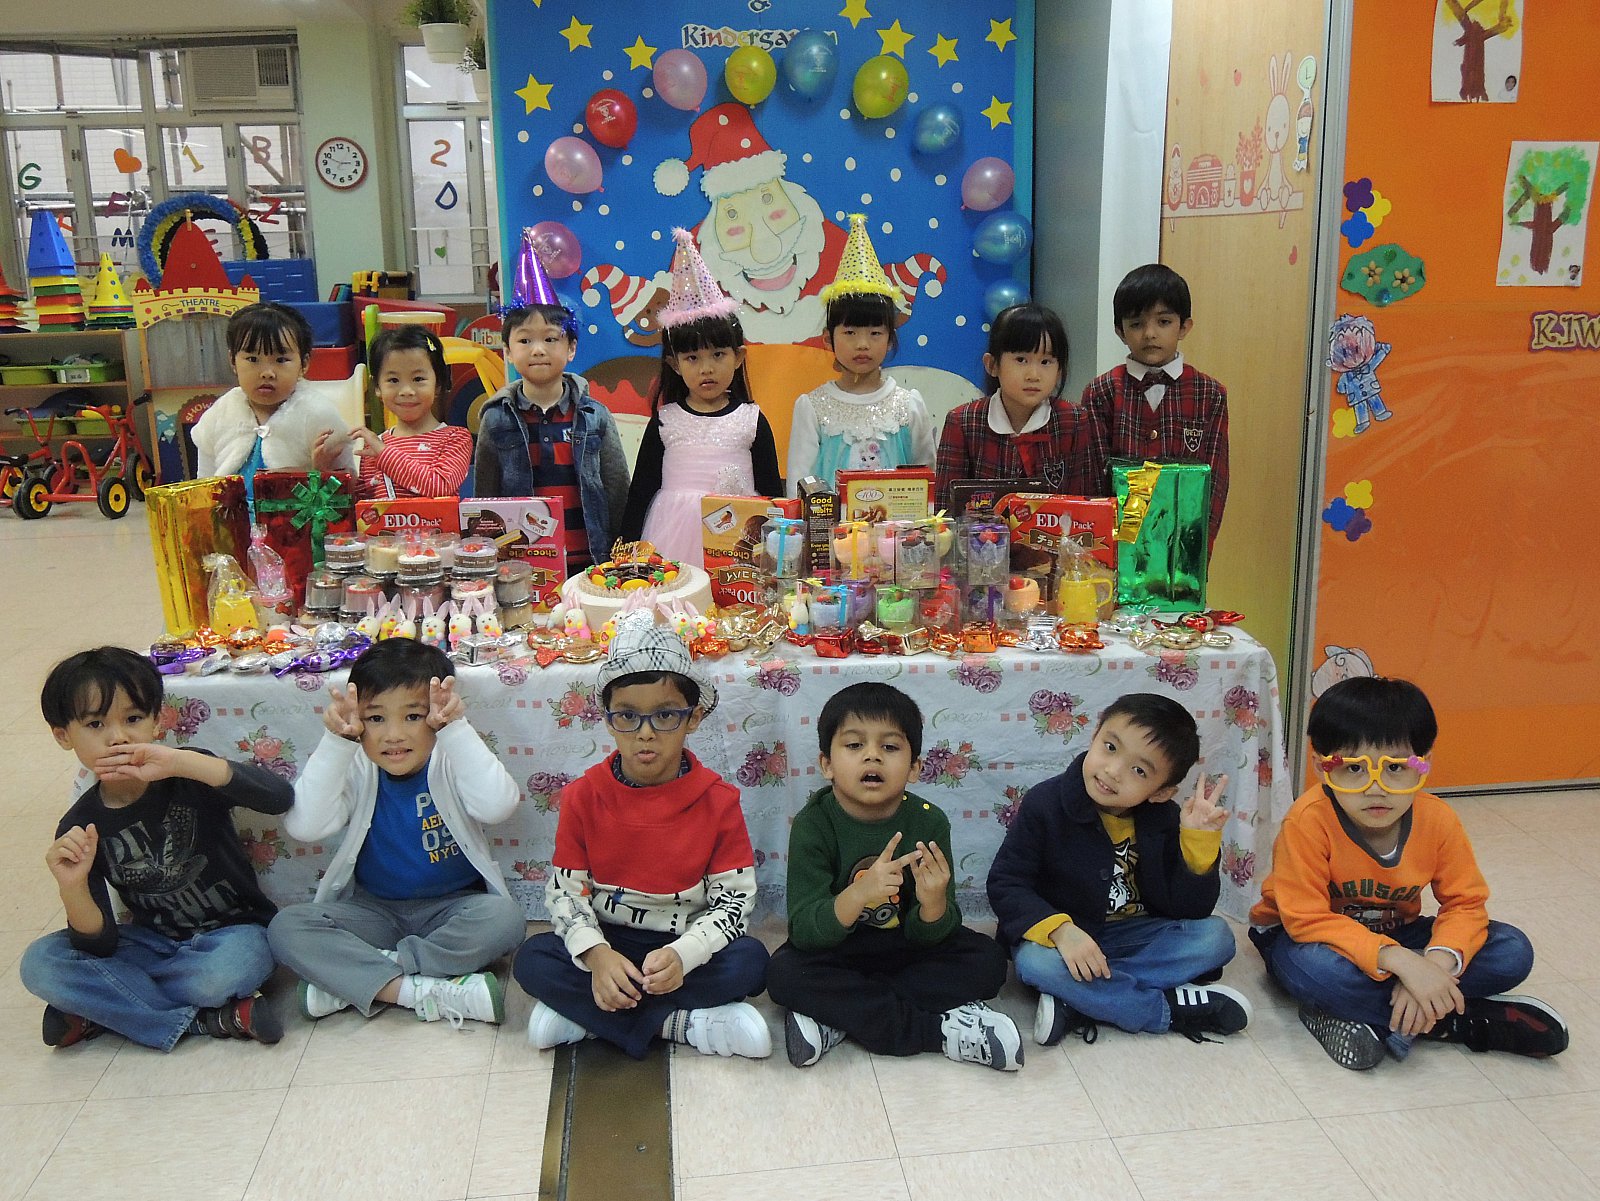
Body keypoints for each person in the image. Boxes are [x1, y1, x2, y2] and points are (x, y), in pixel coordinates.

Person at [1250, 676, 1568, 1070]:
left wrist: (1433, 965)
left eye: (1396, 768)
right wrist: (1403, 963)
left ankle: (1367, 1013)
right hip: (1303, 937)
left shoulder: (1438, 820)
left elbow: (1466, 904)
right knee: (1315, 972)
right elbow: (1305, 920)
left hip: (1398, 931)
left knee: (1512, 950)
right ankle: (1458, 1021)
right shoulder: (1307, 821)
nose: (1376, 788)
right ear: (1321, 767)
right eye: (1353, 768)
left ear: (1424, 764)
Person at [513, 615, 771, 1060]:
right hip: (608, 940)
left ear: (693, 718)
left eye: (665, 715)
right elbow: (567, 893)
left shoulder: (719, 800)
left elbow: (734, 901)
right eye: (628, 716)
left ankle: (589, 1019)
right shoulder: (582, 796)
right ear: (608, 720)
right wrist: (596, 956)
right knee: (532, 958)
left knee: (751, 962)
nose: (646, 732)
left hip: (681, 943)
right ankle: (679, 1024)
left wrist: (685, 954)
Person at [19, 647, 289, 1050]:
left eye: (133, 719)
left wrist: (184, 763)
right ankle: (209, 1020)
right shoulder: (79, 825)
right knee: (40, 963)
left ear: (157, 721)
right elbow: (99, 943)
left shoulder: (187, 771)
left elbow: (279, 798)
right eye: (95, 724)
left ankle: (105, 1008)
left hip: (234, 935)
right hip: (150, 944)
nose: (118, 737)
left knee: (226, 972)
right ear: (63, 735)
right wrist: (71, 888)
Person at [268, 639, 525, 1028]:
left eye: (412, 716)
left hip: (453, 908)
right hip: (374, 912)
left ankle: (359, 979)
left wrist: (455, 730)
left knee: (505, 920)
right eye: (375, 718)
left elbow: (498, 805)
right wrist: (337, 743)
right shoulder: (356, 764)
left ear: (436, 714)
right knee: (286, 927)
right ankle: (416, 991)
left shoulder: (449, 758)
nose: (393, 735)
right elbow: (305, 826)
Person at [766, 682, 1022, 1071]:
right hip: (839, 951)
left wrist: (933, 906)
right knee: (784, 974)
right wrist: (858, 895)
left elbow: (937, 932)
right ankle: (937, 1032)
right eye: (855, 745)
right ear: (827, 764)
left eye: (889, 747)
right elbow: (804, 931)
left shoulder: (929, 821)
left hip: (907, 948)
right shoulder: (812, 823)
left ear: (915, 767)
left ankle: (838, 1016)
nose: (872, 756)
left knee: (988, 961)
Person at [987, 693, 1251, 1045]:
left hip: (1133, 935)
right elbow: (1006, 883)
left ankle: (1081, 1000)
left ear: (1161, 792)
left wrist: (1198, 843)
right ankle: (1163, 1010)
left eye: (1139, 771)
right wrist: (1062, 931)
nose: (1113, 771)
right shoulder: (1045, 803)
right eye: (1110, 748)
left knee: (1216, 938)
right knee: (1035, 964)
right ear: (1095, 733)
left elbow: (1191, 910)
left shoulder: (1165, 818)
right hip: (1064, 938)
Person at [618, 229, 783, 563]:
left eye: (718, 355)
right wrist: (624, 550)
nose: (706, 369)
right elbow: (641, 490)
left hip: (738, 538)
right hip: (670, 537)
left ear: (738, 358)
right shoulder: (665, 422)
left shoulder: (751, 420)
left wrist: (780, 548)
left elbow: (772, 493)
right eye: (692, 358)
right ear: (675, 365)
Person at [473, 299, 630, 573]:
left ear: (571, 349)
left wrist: (622, 552)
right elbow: (485, 496)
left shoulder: (595, 415)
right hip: (524, 565)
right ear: (508, 351)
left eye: (550, 339)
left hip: (591, 561)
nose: (538, 350)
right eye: (525, 341)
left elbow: (617, 488)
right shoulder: (496, 418)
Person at [1081, 264, 1229, 547]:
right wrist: (1103, 548)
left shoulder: (1210, 394)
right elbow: (1094, 479)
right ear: (1120, 331)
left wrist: (1197, 551)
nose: (1149, 333)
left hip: (1183, 544)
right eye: (1136, 324)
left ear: (1184, 327)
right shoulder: (1101, 392)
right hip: (1117, 545)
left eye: (1163, 322)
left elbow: (1216, 481)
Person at [785, 215, 935, 493]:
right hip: (831, 522)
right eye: (850, 332)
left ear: (890, 339)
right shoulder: (812, 408)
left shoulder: (909, 406)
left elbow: (926, 479)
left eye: (875, 333)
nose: (863, 344)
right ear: (828, 339)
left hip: (898, 521)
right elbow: (799, 484)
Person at [933, 302, 1093, 510]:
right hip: (980, 531)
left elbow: (1087, 505)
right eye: (1021, 360)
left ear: (1059, 370)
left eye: (1045, 362)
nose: (1033, 375)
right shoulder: (962, 423)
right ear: (992, 365)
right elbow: (946, 510)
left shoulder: (1074, 420)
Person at [191, 301, 352, 501]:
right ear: (233, 360)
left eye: (281, 360)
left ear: (304, 363)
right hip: (231, 518)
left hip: (295, 519)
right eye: (252, 359)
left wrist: (321, 470)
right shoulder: (220, 413)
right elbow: (203, 485)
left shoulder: (320, 415)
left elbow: (349, 490)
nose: (267, 373)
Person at [351, 325, 473, 499]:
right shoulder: (372, 447)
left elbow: (441, 486)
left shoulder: (455, 438)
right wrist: (326, 469)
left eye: (418, 379)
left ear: (438, 384)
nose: (407, 391)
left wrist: (384, 454)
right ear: (377, 387)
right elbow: (358, 506)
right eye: (393, 380)